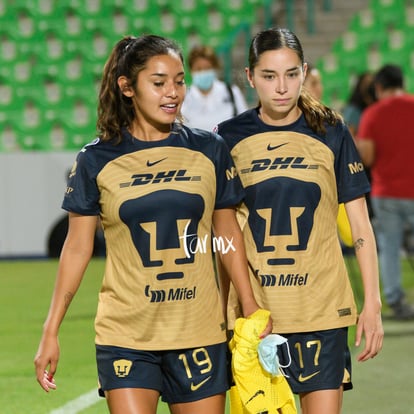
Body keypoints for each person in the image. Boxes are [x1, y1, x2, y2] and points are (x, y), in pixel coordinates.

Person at [34, 34, 271, 414]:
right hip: (126, 334)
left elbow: (227, 231)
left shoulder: (209, 150)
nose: (173, 93)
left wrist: (249, 303)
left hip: (199, 331)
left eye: (179, 81)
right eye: (158, 83)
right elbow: (77, 247)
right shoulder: (95, 160)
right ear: (127, 87)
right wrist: (51, 330)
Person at [216, 27, 383, 414]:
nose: (282, 87)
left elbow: (361, 225)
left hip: (321, 309)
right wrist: (224, 307)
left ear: (304, 72)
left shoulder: (331, 130)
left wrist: (371, 302)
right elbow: (222, 232)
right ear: (249, 76)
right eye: (269, 76)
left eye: (292, 74)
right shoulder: (226, 138)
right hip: (257, 315)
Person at [357, 64, 414, 320]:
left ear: (379, 87)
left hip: (387, 192)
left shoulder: (372, 114)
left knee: (389, 248)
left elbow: (367, 157)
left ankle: (395, 300)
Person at [181, 45, 248, 131]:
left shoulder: (231, 92)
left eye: (207, 68)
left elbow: (245, 124)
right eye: (198, 69)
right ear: (191, 71)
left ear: (215, 68)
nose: (203, 72)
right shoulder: (183, 97)